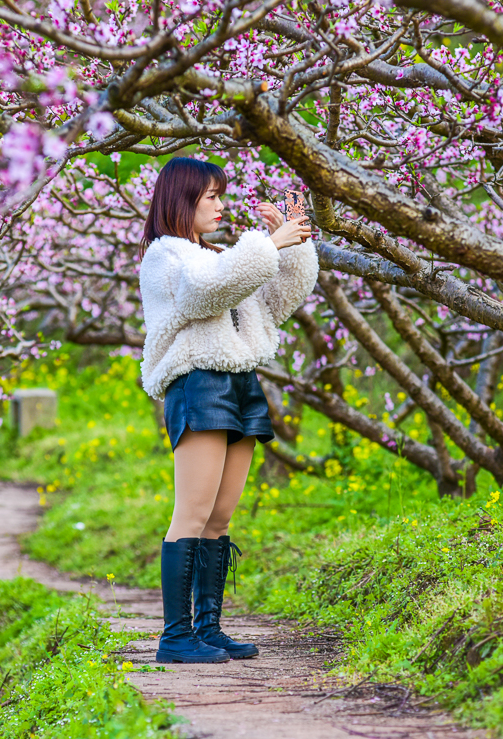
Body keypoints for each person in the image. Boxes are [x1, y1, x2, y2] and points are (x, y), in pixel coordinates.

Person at [137, 157, 317, 663]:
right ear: (182, 199)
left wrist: (293, 243)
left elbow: (276, 302)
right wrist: (267, 245)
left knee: (218, 517)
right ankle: (175, 638)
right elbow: (204, 293)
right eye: (211, 196)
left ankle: (208, 629)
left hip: (240, 383)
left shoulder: (215, 255)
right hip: (199, 383)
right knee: (192, 513)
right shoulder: (166, 256)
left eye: (221, 195)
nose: (220, 205)